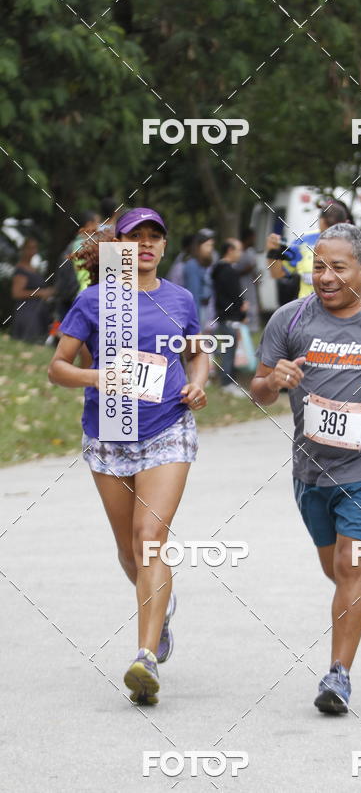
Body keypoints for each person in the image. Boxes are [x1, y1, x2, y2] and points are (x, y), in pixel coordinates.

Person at [251, 224, 361, 714]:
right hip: (310, 467)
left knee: (350, 564)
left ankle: (338, 676)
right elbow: (258, 386)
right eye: (318, 267)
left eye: (337, 267)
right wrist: (273, 380)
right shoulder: (290, 318)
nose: (325, 277)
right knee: (338, 570)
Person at [48, 207, 209, 706]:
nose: (144, 243)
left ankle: (146, 655)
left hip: (167, 428)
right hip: (109, 431)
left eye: (153, 236)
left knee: (149, 540)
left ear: (164, 247)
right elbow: (58, 368)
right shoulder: (95, 300)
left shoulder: (180, 298)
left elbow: (198, 350)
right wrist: (101, 376)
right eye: (134, 236)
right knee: (128, 551)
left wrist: (198, 384)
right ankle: (162, 605)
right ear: (118, 247)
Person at [266, 199, 361, 301]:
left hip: (344, 316)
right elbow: (277, 274)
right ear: (320, 223)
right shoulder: (303, 242)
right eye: (325, 232)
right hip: (308, 314)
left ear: (346, 223)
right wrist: (273, 252)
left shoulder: (357, 244)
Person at [212, 238, 247, 396]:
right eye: (239, 250)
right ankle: (227, 383)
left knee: (225, 349)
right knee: (229, 352)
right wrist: (242, 313)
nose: (241, 254)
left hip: (221, 315)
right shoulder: (230, 271)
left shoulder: (216, 269)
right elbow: (236, 296)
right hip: (230, 317)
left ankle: (226, 379)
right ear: (230, 251)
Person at [10, 237, 54, 343]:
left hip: (39, 313)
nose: (33, 251)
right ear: (23, 249)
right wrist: (40, 293)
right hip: (27, 314)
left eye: (35, 248)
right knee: (30, 343)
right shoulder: (21, 270)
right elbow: (16, 293)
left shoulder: (34, 269)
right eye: (30, 248)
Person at [183, 228, 215, 329]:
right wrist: (194, 321)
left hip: (206, 308)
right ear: (198, 247)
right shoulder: (192, 265)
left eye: (211, 246)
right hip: (198, 309)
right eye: (207, 245)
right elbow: (193, 294)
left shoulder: (203, 264)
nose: (210, 249)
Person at [235, 228, 261, 332]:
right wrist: (246, 270)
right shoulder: (238, 252)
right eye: (252, 238)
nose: (254, 240)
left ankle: (253, 329)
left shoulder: (251, 252)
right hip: (239, 285)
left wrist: (256, 279)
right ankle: (242, 328)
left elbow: (254, 270)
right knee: (242, 306)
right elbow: (234, 271)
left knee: (252, 306)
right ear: (247, 238)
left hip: (250, 285)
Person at [70, 210, 101, 292]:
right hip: (89, 290)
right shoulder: (87, 246)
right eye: (98, 223)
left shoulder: (74, 245)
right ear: (89, 225)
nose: (100, 227)